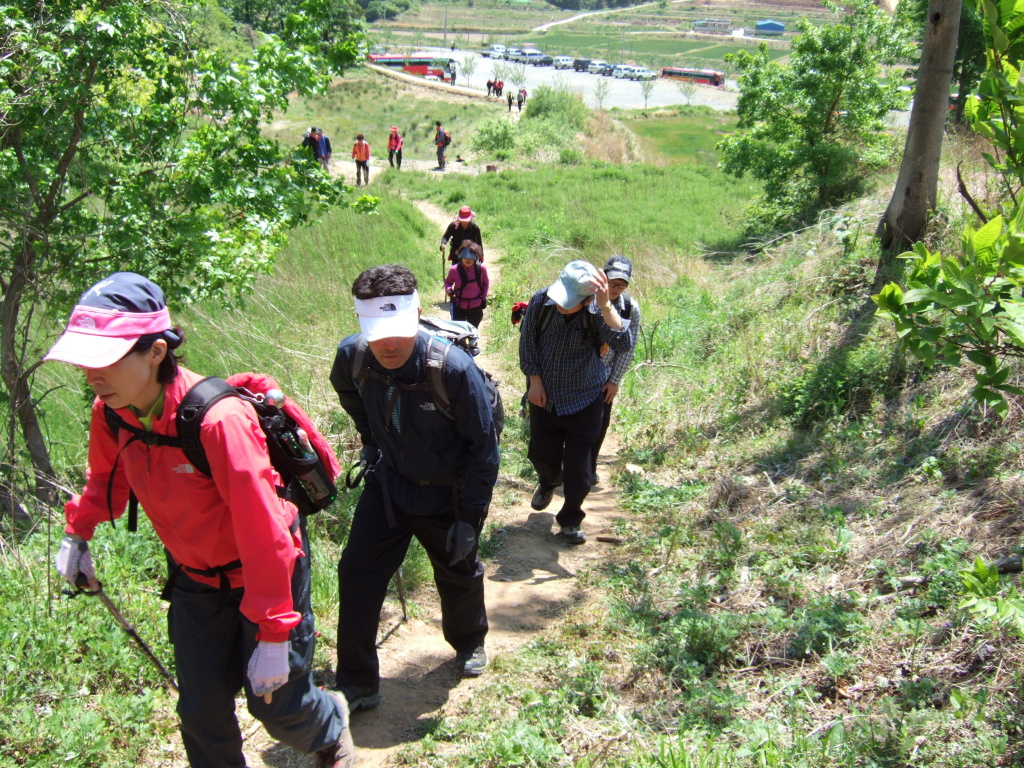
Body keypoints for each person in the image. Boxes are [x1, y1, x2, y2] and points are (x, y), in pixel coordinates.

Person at [48, 272, 353, 768]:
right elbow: (105, 484)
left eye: (104, 357)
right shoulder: (113, 412)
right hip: (194, 579)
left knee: (278, 707)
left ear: (156, 352)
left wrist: (274, 631)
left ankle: (329, 726)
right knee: (201, 711)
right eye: (84, 357)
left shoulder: (218, 420)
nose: (90, 372)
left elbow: (266, 531)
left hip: (266, 572)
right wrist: (76, 534)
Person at [329, 264, 499, 711]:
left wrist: (470, 519)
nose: (387, 344)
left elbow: (484, 452)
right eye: (376, 331)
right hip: (388, 485)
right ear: (360, 324)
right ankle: (357, 680)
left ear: (419, 314)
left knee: (458, 570)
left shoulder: (452, 370)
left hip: (447, 493)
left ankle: (469, 642)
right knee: (357, 574)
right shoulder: (353, 358)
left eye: (397, 331)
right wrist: (370, 442)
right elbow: (351, 398)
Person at [518, 260, 632, 545]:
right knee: (542, 454)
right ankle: (547, 482)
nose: (560, 304)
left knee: (579, 469)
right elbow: (527, 341)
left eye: (568, 302)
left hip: (585, 399)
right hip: (545, 397)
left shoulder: (596, 312)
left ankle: (570, 518)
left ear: (586, 301)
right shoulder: (542, 301)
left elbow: (624, 342)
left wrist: (606, 306)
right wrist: (534, 379)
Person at [592, 255, 641, 476]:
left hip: (605, 376)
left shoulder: (630, 308)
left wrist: (615, 380)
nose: (616, 288)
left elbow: (628, 348)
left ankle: (589, 466)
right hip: (577, 372)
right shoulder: (585, 298)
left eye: (622, 284)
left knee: (600, 423)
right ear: (603, 278)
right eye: (612, 283)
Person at [444, 241, 489, 328]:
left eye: (470, 258)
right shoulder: (454, 270)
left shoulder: (481, 269)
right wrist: (449, 289)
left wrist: (484, 298)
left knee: (472, 332)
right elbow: (448, 282)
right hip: (459, 306)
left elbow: (485, 284)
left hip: (476, 306)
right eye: (465, 258)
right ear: (461, 257)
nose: (468, 260)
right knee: (460, 332)